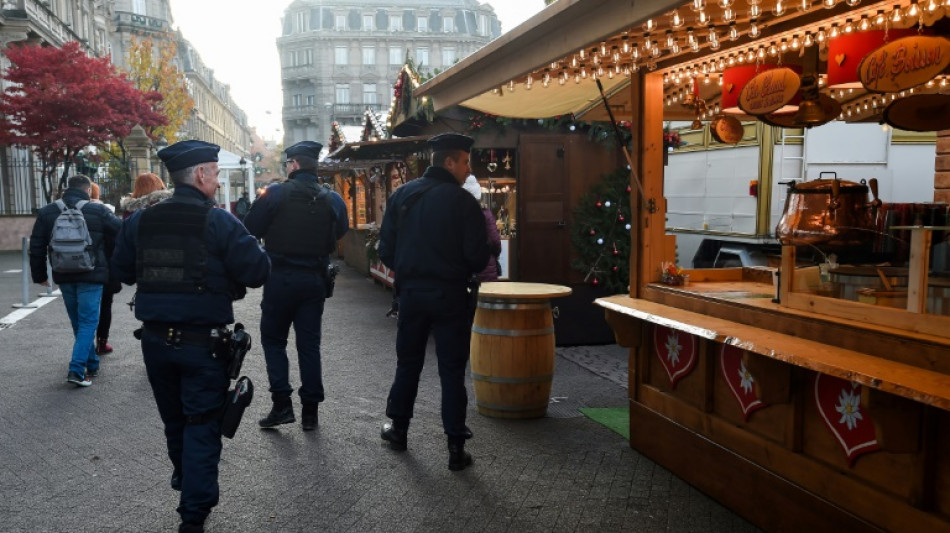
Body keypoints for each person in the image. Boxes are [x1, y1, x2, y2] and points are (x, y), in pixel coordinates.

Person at [112, 140, 270, 533]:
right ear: (201, 174)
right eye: (214, 174)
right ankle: (193, 514)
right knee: (202, 422)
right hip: (203, 345)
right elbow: (258, 271)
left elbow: (123, 271)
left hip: (155, 343)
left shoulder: (139, 221)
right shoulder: (219, 221)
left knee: (175, 420)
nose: (216, 182)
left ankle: (187, 480)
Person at [376, 133, 490, 471]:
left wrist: (410, 270)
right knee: (451, 371)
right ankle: (456, 447)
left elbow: (385, 250)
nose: (468, 170)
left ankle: (398, 430)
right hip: (451, 296)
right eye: (465, 162)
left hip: (412, 294)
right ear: (449, 162)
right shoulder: (464, 203)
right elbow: (477, 258)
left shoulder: (402, 195)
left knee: (408, 363)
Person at [243, 140, 349, 431]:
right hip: (314, 280)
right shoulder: (332, 198)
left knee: (274, 340)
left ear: (294, 164)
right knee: (309, 345)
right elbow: (341, 229)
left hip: (279, 278)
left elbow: (250, 228)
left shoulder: (275, 193)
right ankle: (310, 413)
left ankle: (282, 405)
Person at [30, 175, 122, 386]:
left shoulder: (47, 212)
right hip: (92, 273)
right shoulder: (97, 210)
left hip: (63, 272)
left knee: (78, 322)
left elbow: (36, 246)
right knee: (89, 321)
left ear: (66, 190)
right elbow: (121, 231)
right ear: (88, 190)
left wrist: (40, 275)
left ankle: (92, 363)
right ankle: (77, 369)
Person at [89, 182, 119, 355]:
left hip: (78, 266)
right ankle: (102, 342)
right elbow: (117, 237)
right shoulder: (104, 212)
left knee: (86, 309)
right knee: (106, 305)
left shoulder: (71, 211)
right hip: (104, 266)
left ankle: (85, 344)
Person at [463, 175, 502, 282]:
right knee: (488, 292)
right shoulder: (486, 214)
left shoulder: (458, 213)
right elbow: (495, 241)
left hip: (465, 267)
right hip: (486, 265)